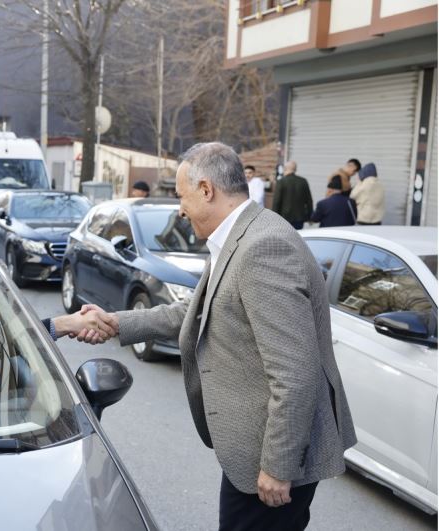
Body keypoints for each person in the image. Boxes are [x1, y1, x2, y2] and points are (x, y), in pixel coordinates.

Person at [69, 142, 356, 531]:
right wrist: (118, 322)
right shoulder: (239, 236)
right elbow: (197, 312)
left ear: (206, 190)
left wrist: (278, 465)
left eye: (182, 197)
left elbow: (294, 373)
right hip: (252, 456)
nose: (181, 209)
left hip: (270, 462)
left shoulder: (262, 248)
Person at [272, 161, 313, 229]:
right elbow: (309, 200)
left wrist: (274, 218)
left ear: (285, 169)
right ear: (295, 169)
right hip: (299, 218)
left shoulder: (281, 182)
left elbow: (277, 201)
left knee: (285, 238)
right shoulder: (303, 181)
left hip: (284, 218)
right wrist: (310, 216)